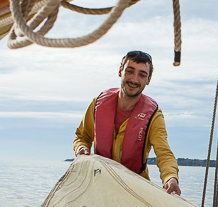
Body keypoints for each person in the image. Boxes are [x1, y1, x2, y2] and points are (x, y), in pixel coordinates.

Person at [73, 50, 181, 195]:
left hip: (135, 188)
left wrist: (170, 178)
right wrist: (81, 148)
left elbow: (164, 153)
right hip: (99, 183)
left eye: (142, 75)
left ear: (148, 80)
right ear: (120, 71)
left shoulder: (154, 116)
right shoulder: (98, 103)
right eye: (130, 71)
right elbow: (82, 136)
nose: (134, 80)